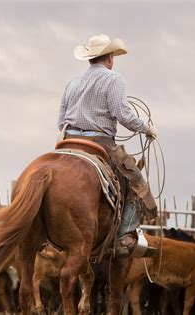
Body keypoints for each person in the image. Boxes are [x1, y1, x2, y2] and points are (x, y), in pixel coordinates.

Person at [58, 34, 158, 257]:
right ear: (110, 58)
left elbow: (60, 121)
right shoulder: (114, 80)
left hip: (68, 142)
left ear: (90, 58)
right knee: (134, 179)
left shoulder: (72, 83)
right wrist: (146, 129)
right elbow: (123, 114)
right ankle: (125, 236)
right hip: (99, 142)